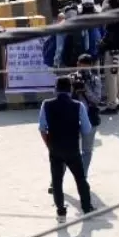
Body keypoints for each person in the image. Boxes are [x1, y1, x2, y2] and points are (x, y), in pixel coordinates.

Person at [39, 76, 95, 222]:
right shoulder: (78, 106)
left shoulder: (46, 105)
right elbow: (87, 129)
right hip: (73, 149)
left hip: (55, 149)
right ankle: (87, 208)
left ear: (56, 89)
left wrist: (49, 144)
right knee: (81, 179)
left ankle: (61, 213)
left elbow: (42, 128)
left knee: (57, 181)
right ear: (70, 89)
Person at [73, 55, 103, 174]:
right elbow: (62, 97)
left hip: (89, 119)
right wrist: (73, 89)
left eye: (86, 67)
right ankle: (56, 181)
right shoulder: (71, 78)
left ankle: (82, 176)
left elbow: (96, 99)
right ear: (77, 64)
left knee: (87, 151)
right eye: (81, 66)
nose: (83, 69)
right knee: (66, 150)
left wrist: (85, 89)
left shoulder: (95, 80)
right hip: (72, 119)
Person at [99, 0, 119, 114]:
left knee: (111, 80)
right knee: (117, 77)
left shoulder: (113, 19)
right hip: (118, 51)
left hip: (111, 53)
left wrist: (101, 43)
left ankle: (111, 106)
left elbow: (109, 37)